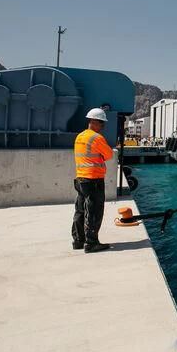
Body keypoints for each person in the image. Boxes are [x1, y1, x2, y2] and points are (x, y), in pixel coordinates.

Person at [72, 108, 114, 253]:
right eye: (102, 123)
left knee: (80, 209)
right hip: (93, 179)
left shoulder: (80, 137)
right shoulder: (96, 138)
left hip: (80, 178)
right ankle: (91, 242)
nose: (103, 126)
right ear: (94, 122)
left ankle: (78, 240)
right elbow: (109, 155)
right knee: (94, 210)